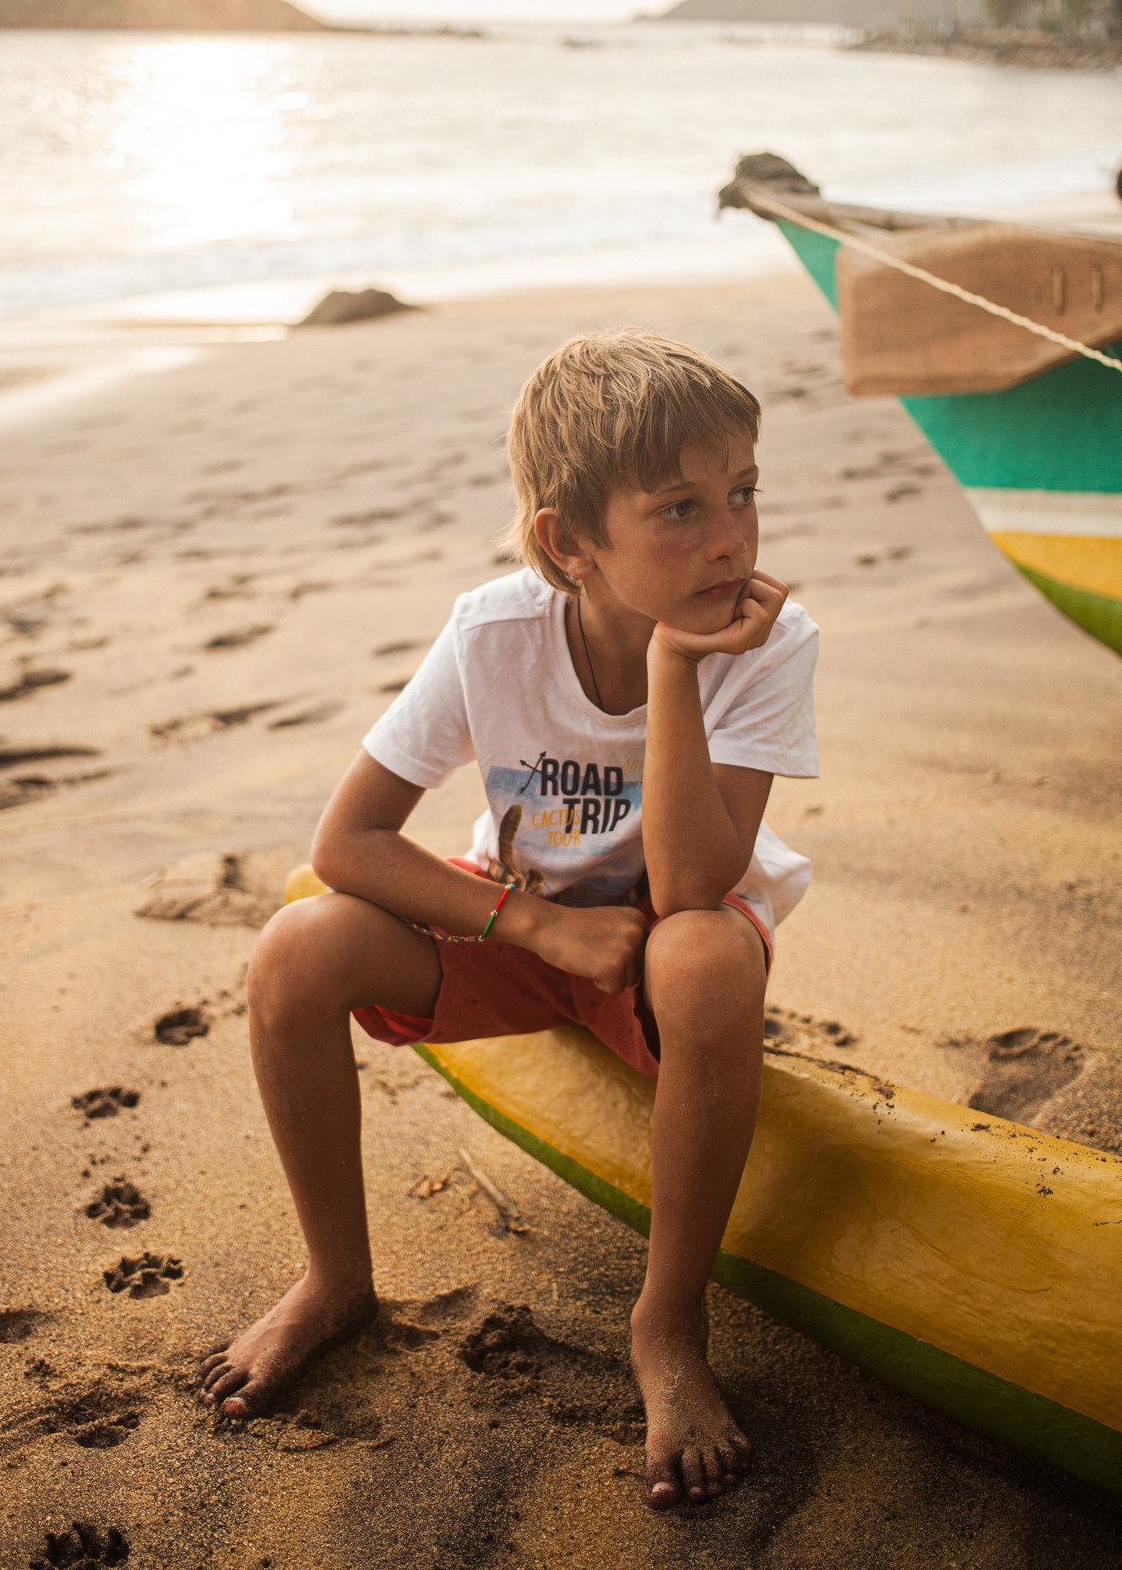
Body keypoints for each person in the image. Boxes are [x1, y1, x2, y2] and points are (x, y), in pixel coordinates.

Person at [197, 329, 819, 1509]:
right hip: (528, 928)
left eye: (743, 491)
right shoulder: (493, 633)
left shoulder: (765, 641)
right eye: (680, 509)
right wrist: (532, 929)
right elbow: (349, 844)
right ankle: (335, 1278)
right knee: (293, 949)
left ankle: (666, 1326)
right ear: (567, 545)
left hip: (659, 949)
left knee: (704, 960)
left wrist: (680, 669)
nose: (732, 536)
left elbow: (692, 886)